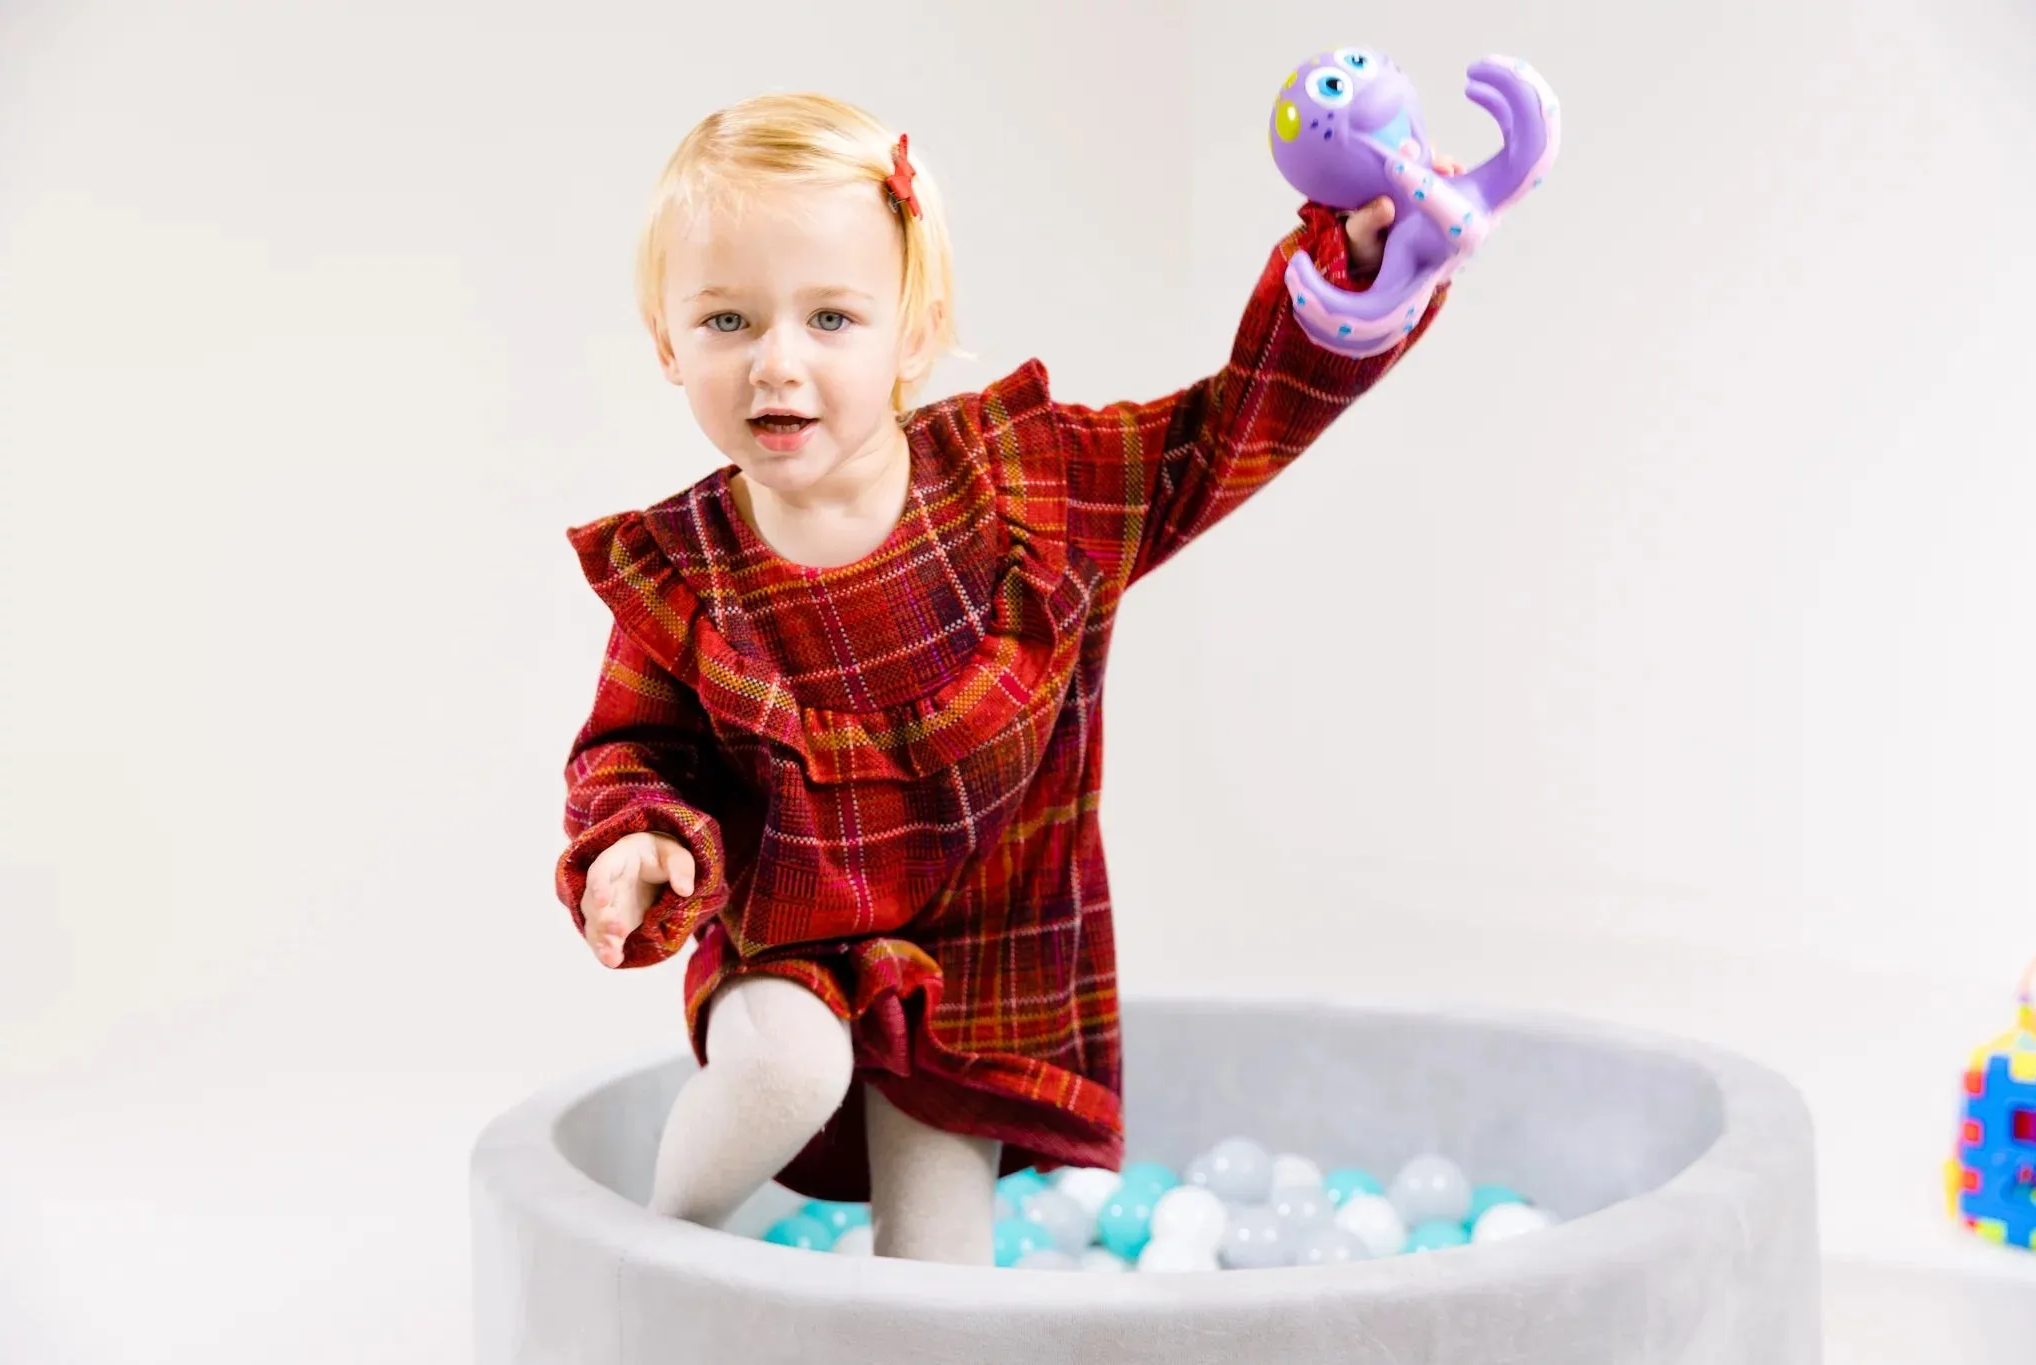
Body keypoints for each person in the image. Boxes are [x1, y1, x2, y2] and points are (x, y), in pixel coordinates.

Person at [555, 91, 1450, 1265]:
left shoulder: (1023, 492)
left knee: (942, 1282)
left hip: (975, 971)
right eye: (727, 320)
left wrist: (1350, 282)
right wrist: (639, 840)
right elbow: (629, 752)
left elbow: (1214, 438)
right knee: (788, 1062)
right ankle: (643, 1261)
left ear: (911, 334)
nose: (778, 363)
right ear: (666, 340)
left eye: (831, 317)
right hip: (787, 952)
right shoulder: (682, 576)